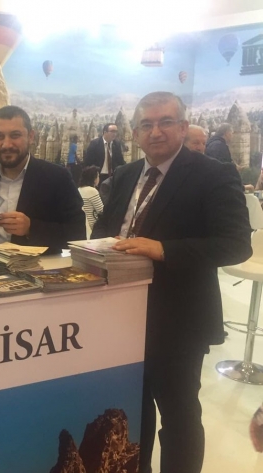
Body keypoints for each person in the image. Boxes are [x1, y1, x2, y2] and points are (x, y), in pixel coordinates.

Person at [92, 91, 251, 473]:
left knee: (179, 417)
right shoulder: (126, 175)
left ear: (183, 126)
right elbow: (103, 230)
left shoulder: (212, 174)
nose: (156, 132)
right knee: (133, 410)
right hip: (121, 316)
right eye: (146, 125)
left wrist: (164, 249)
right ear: (134, 133)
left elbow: (236, 244)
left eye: (166, 122)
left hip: (179, 320)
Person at [0, 105, 85, 252]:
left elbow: (78, 233)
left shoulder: (57, 178)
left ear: (31, 137)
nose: (7, 144)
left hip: (41, 266)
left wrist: (31, 228)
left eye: (15, 135)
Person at [78, 165, 103, 233]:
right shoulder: (92, 191)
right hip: (92, 227)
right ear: (93, 178)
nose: (99, 179)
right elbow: (101, 211)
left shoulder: (79, 189)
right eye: (98, 176)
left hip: (82, 225)